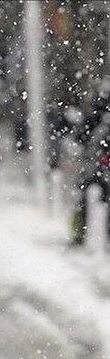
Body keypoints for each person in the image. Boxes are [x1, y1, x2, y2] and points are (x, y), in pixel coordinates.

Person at [70, 82, 110, 247]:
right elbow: (79, 138)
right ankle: (80, 233)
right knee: (82, 200)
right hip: (97, 167)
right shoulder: (96, 121)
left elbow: (79, 139)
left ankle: (79, 234)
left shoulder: (93, 119)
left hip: (93, 166)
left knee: (81, 200)